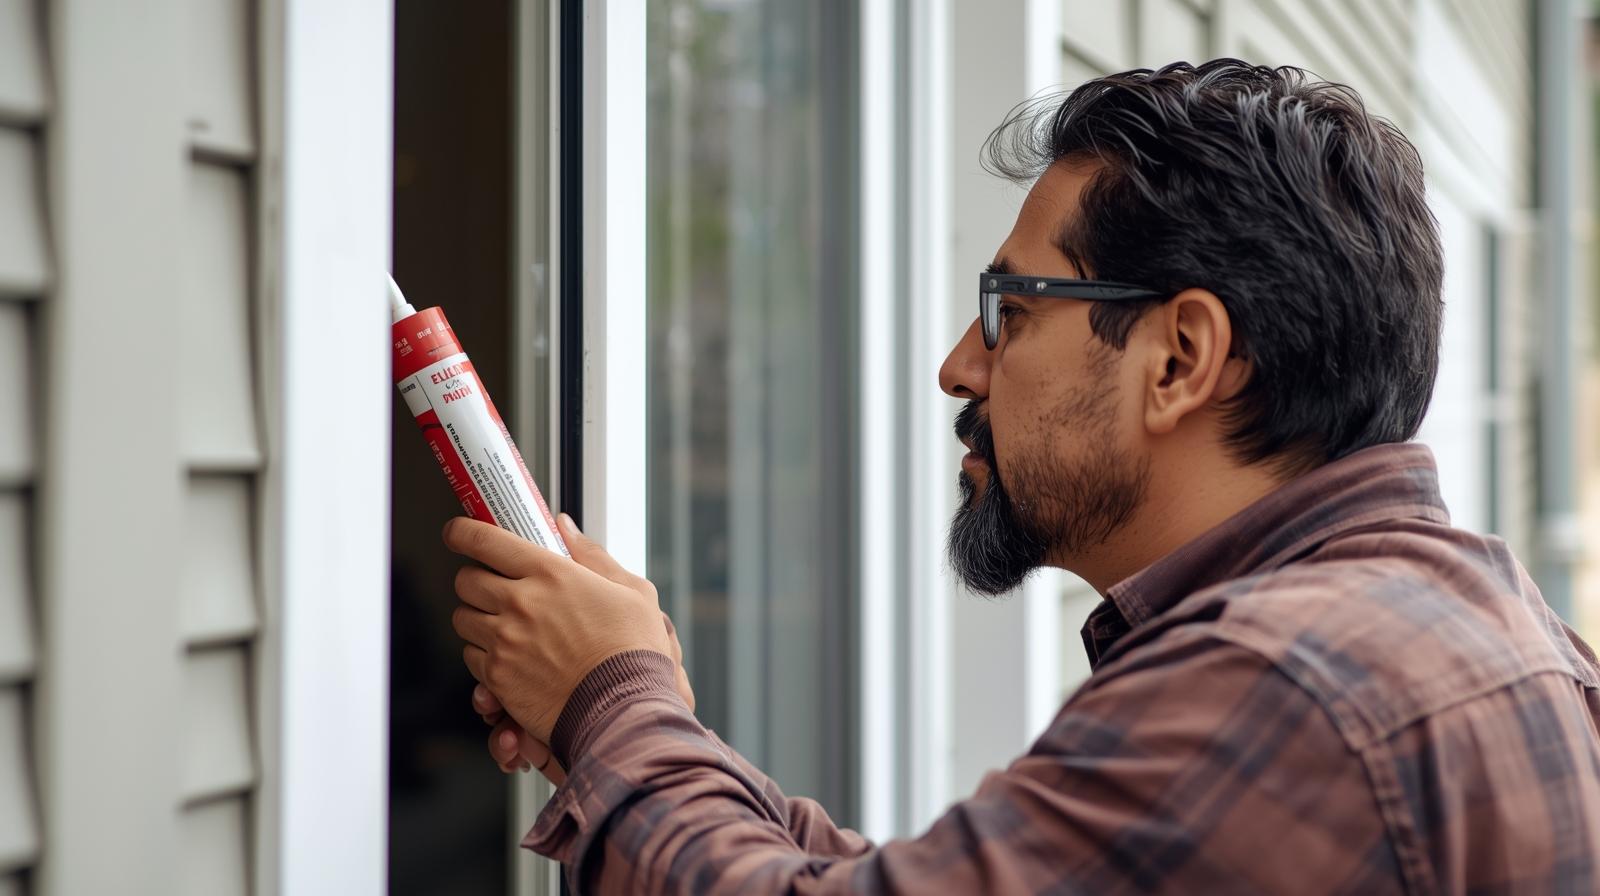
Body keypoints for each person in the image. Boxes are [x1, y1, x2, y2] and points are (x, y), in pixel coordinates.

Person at [445, 59, 1600, 893]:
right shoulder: (1480, 624)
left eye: (1009, 310)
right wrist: (629, 713)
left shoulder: (1281, 684)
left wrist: (615, 705)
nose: (959, 365)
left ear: (1180, 358)